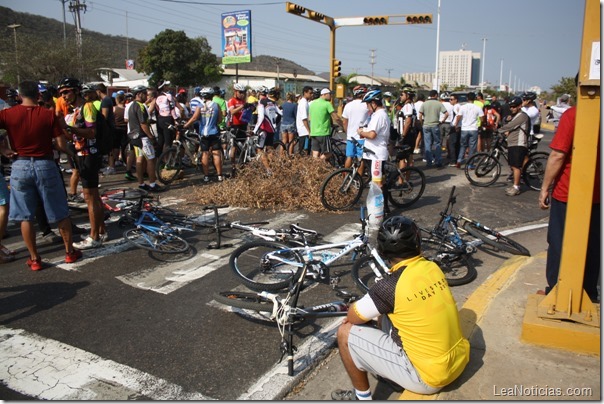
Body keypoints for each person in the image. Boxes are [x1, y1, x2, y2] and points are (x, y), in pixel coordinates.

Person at [332, 216, 470, 400]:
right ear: (418, 243)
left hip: (430, 377)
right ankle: (394, 374)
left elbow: (353, 317)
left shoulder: (389, 286)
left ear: (383, 251)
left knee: (345, 332)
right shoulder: (432, 267)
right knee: (386, 314)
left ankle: (362, 398)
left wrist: (357, 313)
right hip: (459, 359)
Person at [0, 80, 82, 270]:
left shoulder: (7, 114)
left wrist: (3, 149)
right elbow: (61, 145)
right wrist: (71, 155)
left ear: (20, 96)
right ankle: (69, 252)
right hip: (45, 164)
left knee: (25, 216)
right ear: (38, 95)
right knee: (60, 211)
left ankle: (35, 258)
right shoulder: (48, 115)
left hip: (20, 165)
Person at [538, 105, 600, 302]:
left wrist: (545, 188)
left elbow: (558, 155)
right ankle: (589, 294)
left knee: (558, 243)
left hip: (570, 192)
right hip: (598, 197)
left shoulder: (574, 114)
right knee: (593, 245)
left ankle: (556, 292)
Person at [68, 84, 107, 250]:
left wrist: (68, 128)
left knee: (90, 196)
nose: (63, 96)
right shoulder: (78, 110)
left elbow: (91, 132)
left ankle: (94, 236)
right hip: (83, 155)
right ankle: (100, 230)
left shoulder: (87, 106)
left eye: (66, 92)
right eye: (61, 93)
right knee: (93, 196)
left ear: (76, 92)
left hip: (88, 155)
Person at [357, 89, 390, 213]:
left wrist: (361, 132)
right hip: (372, 154)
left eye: (367, 104)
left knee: (378, 185)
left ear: (374, 103)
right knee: (378, 182)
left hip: (376, 155)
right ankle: (381, 208)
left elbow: (372, 135)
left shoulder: (379, 115)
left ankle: (381, 210)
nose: (367, 107)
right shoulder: (377, 115)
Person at [183, 87, 224, 182]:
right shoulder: (216, 105)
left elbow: (194, 118)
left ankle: (206, 176)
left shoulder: (200, 106)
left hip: (204, 133)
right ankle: (219, 176)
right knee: (216, 154)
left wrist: (185, 125)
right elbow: (220, 120)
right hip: (214, 132)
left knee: (204, 154)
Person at [127, 85, 163, 192]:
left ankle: (141, 184)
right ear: (139, 94)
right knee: (151, 160)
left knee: (140, 159)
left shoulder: (131, 106)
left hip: (134, 137)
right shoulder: (140, 106)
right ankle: (152, 184)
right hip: (143, 137)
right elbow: (143, 124)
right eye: (144, 94)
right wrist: (151, 137)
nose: (146, 96)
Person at [497, 96, 530, 196]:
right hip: (513, 143)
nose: (512, 108)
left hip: (518, 144)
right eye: (510, 106)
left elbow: (511, 126)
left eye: (514, 106)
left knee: (516, 167)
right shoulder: (515, 115)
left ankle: (516, 187)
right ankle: (515, 185)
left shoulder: (522, 116)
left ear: (520, 106)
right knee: (513, 166)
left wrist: (498, 130)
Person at [252, 86, 281, 172]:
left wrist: (255, 130)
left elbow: (261, 117)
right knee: (270, 149)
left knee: (260, 149)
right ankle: (271, 167)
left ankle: (268, 170)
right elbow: (280, 113)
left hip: (263, 129)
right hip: (272, 129)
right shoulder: (273, 103)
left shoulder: (262, 102)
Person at [308, 88, 343, 161]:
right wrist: (343, 126)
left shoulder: (312, 103)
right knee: (328, 153)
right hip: (323, 132)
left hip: (313, 132)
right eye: (330, 94)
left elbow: (309, 118)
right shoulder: (327, 104)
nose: (331, 96)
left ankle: (314, 169)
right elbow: (336, 117)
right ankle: (319, 163)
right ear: (324, 94)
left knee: (315, 154)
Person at [453, 92, 484, 168]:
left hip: (464, 129)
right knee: (472, 147)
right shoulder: (477, 107)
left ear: (467, 98)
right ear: (475, 99)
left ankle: (459, 160)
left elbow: (458, 116)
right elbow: (482, 118)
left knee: (463, 145)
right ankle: (470, 164)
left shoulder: (463, 107)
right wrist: (480, 124)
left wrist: (456, 125)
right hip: (473, 129)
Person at [227, 83, 253, 173]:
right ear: (235, 91)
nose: (242, 94)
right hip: (235, 125)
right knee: (234, 146)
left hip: (243, 125)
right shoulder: (232, 100)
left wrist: (251, 107)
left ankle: (242, 164)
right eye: (240, 92)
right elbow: (233, 111)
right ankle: (233, 166)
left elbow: (246, 114)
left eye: (244, 92)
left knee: (244, 146)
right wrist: (242, 106)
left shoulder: (243, 101)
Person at [418, 90, 448, 168]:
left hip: (426, 125)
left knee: (427, 144)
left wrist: (422, 123)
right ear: (435, 95)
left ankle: (429, 161)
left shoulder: (424, 104)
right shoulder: (439, 104)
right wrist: (442, 121)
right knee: (437, 143)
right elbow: (446, 114)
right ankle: (438, 160)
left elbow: (420, 116)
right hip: (435, 125)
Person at [342, 85, 368, 169]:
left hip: (351, 137)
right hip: (362, 136)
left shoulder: (348, 105)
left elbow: (345, 122)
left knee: (349, 157)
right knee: (360, 158)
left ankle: (345, 176)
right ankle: (360, 179)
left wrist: (347, 132)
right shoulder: (366, 105)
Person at [95, 84, 117, 176]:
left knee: (110, 148)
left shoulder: (105, 101)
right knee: (109, 148)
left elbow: (104, 116)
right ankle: (110, 165)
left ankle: (111, 167)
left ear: (99, 91)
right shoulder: (107, 100)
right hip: (109, 127)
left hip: (108, 127)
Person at [151, 80, 178, 153]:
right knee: (168, 141)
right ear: (164, 87)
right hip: (168, 119)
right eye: (166, 86)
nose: (168, 87)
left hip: (159, 120)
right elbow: (172, 109)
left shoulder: (156, 97)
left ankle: (159, 159)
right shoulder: (168, 96)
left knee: (161, 140)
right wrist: (176, 119)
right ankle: (166, 160)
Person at [395, 88, 417, 170]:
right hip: (410, 134)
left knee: (402, 158)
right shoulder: (411, 105)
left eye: (402, 94)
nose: (400, 96)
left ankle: (401, 181)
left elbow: (408, 121)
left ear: (407, 96)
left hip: (406, 135)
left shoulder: (408, 106)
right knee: (409, 157)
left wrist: (403, 136)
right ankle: (405, 180)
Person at [295, 86, 313, 156]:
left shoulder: (305, 102)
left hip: (304, 129)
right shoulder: (303, 103)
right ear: (305, 93)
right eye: (310, 93)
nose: (312, 95)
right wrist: (309, 131)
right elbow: (304, 119)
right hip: (303, 130)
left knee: (306, 150)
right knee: (303, 150)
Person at [438, 92, 454, 163]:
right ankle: (448, 152)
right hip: (448, 123)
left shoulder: (439, 104)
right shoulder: (451, 105)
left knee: (440, 139)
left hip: (440, 123)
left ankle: (439, 153)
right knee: (448, 139)